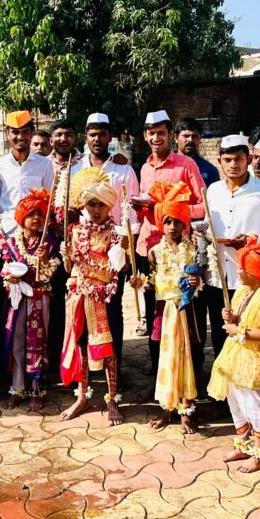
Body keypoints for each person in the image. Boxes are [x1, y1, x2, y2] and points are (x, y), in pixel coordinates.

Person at [198, 135, 260, 387]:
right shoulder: (213, 191)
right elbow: (208, 227)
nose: (233, 164)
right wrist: (204, 235)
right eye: (228, 159)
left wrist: (252, 240)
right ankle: (227, 392)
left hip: (252, 280)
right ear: (219, 161)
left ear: (248, 159)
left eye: (238, 159)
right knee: (222, 332)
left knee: (254, 335)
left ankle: (259, 389)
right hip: (218, 275)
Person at [208, 239, 260, 473]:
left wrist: (237, 331)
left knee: (254, 405)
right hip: (235, 356)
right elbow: (239, 319)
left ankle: (259, 454)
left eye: (242, 268)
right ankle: (242, 445)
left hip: (253, 360)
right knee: (236, 402)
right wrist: (230, 317)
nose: (238, 271)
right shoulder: (244, 291)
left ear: (255, 272)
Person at [72, 113, 140, 368]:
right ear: (85, 137)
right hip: (84, 250)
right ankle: (87, 371)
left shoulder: (123, 170)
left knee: (112, 309)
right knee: (83, 309)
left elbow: (132, 215)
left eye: (102, 134)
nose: (97, 139)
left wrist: (128, 254)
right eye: (92, 134)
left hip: (114, 249)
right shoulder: (75, 169)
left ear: (109, 137)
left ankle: (114, 368)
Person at [132, 110, 206, 339]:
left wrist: (176, 211)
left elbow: (204, 205)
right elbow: (147, 211)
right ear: (145, 136)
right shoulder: (145, 168)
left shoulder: (186, 165)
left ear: (171, 135)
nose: (157, 138)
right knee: (154, 309)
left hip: (179, 249)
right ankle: (157, 357)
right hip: (149, 247)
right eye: (152, 133)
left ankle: (190, 356)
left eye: (161, 133)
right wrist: (140, 207)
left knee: (186, 307)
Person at [61, 167, 125, 425]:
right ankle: (82, 397)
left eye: (101, 205)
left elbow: (116, 269)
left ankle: (112, 399)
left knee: (108, 349)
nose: (96, 210)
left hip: (104, 298)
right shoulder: (76, 231)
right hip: (79, 297)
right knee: (81, 345)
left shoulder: (117, 233)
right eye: (91, 204)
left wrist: (123, 251)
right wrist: (66, 255)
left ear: (109, 206)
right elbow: (70, 268)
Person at [138, 181, 200, 433]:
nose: (173, 226)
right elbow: (151, 282)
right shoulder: (153, 252)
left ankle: (187, 410)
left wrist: (196, 282)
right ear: (160, 224)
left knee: (187, 358)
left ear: (185, 225)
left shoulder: (193, 250)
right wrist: (142, 283)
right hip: (163, 312)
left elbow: (200, 280)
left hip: (187, 311)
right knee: (165, 357)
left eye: (177, 222)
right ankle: (167, 408)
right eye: (168, 221)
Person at [2, 188, 60, 411]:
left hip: (39, 299)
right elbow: (4, 271)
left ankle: (37, 390)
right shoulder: (11, 243)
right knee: (17, 344)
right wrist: (10, 279)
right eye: (31, 214)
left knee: (38, 345)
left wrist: (44, 261)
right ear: (21, 218)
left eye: (40, 214)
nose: (36, 218)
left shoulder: (49, 243)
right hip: (17, 302)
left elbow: (51, 276)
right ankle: (17, 388)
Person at [0, 111, 54, 235]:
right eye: (15, 132)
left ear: (32, 133)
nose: (20, 137)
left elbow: (49, 200)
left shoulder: (45, 164)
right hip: (6, 232)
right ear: (7, 134)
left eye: (25, 132)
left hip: (36, 232)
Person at [175, 118, 219, 187]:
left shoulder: (210, 170)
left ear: (199, 139)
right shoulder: (166, 166)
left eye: (194, 136)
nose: (190, 140)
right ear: (176, 138)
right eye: (186, 136)